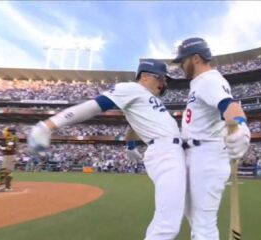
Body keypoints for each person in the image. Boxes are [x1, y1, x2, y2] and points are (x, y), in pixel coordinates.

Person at [28, 59, 186, 240]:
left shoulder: (145, 98)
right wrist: (49, 125)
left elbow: (133, 125)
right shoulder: (131, 88)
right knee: (167, 224)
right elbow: (93, 106)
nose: (163, 83)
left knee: (176, 217)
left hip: (171, 151)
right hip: (165, 151)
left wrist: (131, 145)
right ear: (144, 76)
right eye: (161, 78)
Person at [173, 38, 250, 240]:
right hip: (196, 154)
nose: (181, 65)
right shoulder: (199, 83)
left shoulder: (209, 79)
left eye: (183, 60)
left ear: (196, 58)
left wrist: (241, 126)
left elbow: (231, 107)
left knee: (203, 225)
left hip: (206, 155)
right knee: (195, 219)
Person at [0, 127, 18, 192]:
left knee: (4, 171)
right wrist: (1, 144)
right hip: (10, 156)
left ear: (10, 132)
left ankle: (3, 186)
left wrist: (0, 145)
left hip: (9, 156)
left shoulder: (11, 138)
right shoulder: (12, 138)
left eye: (6, 131)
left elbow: (9, 148)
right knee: (7, 171)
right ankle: (7, 187)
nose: (5, 132)